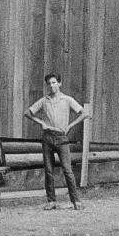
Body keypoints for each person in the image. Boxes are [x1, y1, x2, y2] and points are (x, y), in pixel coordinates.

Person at [24, 73, 89, 211]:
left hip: (62, 138)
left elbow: (85, 113)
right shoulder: (44, 101)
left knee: (67, 170)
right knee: (48, 170)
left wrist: (70, 126)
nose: (51, 86)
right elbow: (27, 113)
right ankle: (51, 201)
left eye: (54, 82)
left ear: (59, 83)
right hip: (47, 138)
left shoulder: (67, 100)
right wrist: (41, 122)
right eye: (49, 83)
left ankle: (76, 201)